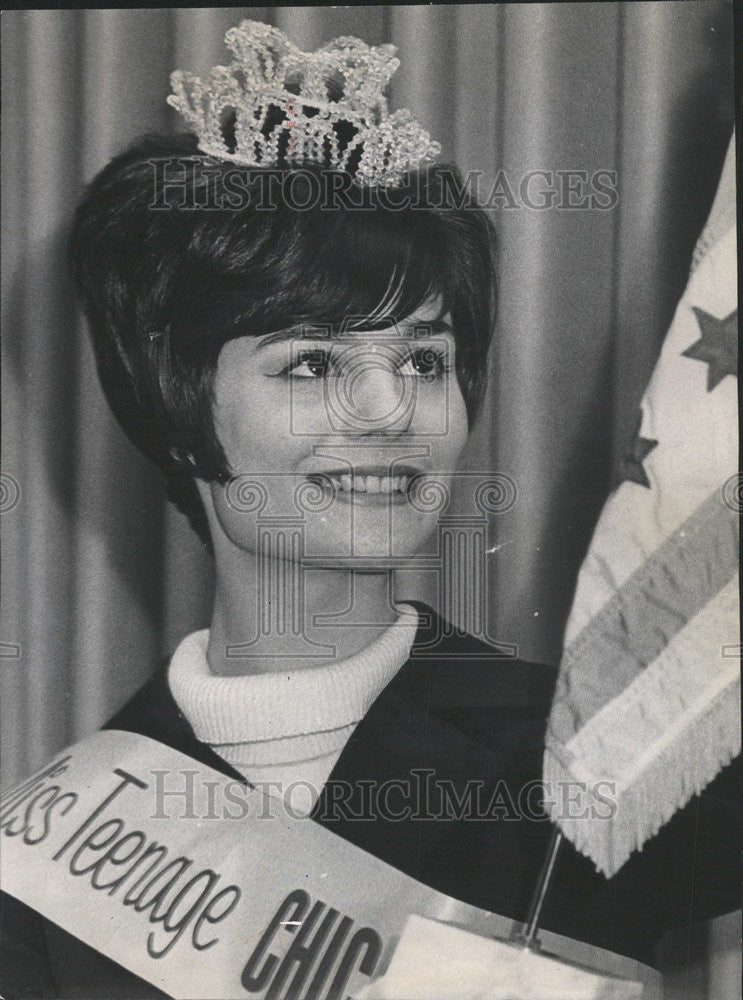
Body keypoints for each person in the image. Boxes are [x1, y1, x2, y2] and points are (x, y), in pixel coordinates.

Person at [1, 20, 739, 1000]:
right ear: (175, 414)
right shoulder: (57, 849)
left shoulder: (602, 766)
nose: (393, 410)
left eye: (424, 359)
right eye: (311, 361)